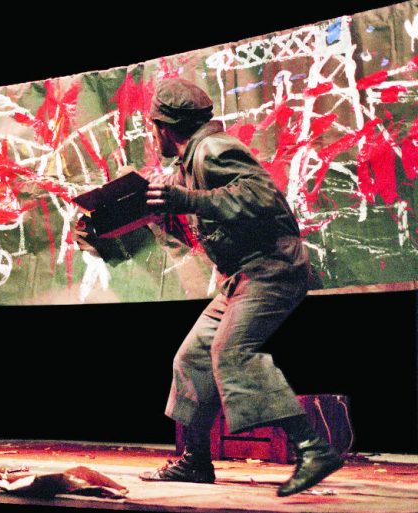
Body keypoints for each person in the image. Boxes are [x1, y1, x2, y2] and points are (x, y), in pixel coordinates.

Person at [81, 78, 343, 497]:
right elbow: (188, 224)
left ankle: (314, 448)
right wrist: (104, 230)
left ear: (165, 127)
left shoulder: (213, 149)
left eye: (153, 128)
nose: (152, 136)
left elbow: (261, 198)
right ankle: (195, 461)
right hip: (240, 277)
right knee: (193, 359)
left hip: (271, 268)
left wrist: (186, 200)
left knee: (230, 353)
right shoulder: (186, 166)